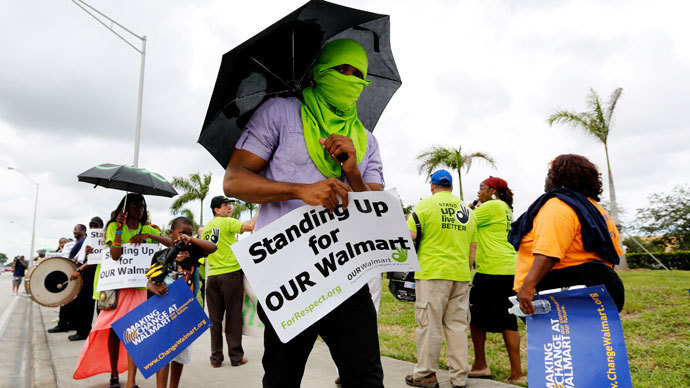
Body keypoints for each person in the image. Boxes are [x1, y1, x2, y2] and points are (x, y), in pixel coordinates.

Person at [224, 38, 385, 388]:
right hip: (288, 275)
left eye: (358, 75)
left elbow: (376, 210)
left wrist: (354, 172)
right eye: (341, 70)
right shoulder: (279, 112)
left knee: (367, 379)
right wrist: (300, 190)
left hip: (346, 271)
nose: (350, 80)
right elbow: (234, 180)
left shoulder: (366, 139)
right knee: (282, 378)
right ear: (319, 70)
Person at [510, 154, 625, 315]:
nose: (546, 178)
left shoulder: (557, 207)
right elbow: (609, 258)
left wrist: (527, 287)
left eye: (549, 173)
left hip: (565, 295)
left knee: (561, 341)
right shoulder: (596, 210)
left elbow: (548, 252)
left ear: (560, 177)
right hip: (603, 289)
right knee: (591, 340)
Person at [73, 193, 161, 388]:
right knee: (112, 330)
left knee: (134, 333)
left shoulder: (147, 228)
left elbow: (168, 245)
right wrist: (120, 231)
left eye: (142, 206)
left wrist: (148, 235)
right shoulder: (113, 227)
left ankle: (131, 379)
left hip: (138, 289)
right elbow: (115, 255)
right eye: (136, 206)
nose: (140, 210)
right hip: (117, 288)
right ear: (125, 208)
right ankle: (113, 372)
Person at [404, 170, 477, 388]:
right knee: (457, 326)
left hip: (432, 273)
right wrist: (467, 271)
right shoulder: (468, 211)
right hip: (461, 275)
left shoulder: (425, 206)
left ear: (432, 186)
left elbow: (410, 236)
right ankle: (459, 377)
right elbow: (473, 249)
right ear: (451, 187)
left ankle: (425, 374)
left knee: (429, 325)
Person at [147, 216, 217, 388]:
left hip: (184, 311)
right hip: (163, 310)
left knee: (179, 353)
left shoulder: (193, 251)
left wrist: (191, 240)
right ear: (171, 233)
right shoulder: (160, 255)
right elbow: (150, 279)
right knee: (163, 354)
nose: (185, 236)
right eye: (181, 233)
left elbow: (213, 247)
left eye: (189, 233)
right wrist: (154, 288)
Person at [467, 177, 523, 383]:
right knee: (508, 319)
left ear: (492, 190)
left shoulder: (493, 206)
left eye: (481, 189)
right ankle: (516, 372)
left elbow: (462, 218)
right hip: (508, 268)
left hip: (492, 269)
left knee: (475, 317)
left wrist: (472, 206)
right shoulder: (504, 207)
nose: (479, 192)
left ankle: (480, 365)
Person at [200, 196, 254, 368]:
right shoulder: (227, 222)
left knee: (215, 320)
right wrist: (263, 209)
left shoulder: (207, 227)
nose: (229, 207)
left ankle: (216, 358)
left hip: (212, 277)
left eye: (229, 204)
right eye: (225, 205)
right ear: (217, 210)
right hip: (230, 275)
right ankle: (236, 357)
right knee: (233, 317)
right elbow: (250, 227)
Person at [68, 218, 104, 341]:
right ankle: (82, 330)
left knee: (88, 304)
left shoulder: (102, 238)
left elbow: (95, 259)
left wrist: (79, 270)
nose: (94, 228)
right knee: (82, 303)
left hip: (91, 272)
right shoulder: (88, 239)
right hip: (84, 271)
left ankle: (85, 332)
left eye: (96, 225)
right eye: (91, 225)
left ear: (101, 226)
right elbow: (84, 256)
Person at [48, 225, 87, 334]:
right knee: (68, 302)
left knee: (68, 301)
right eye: (74, 229)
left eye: (76, 229)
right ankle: (67, 324)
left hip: (75, 274)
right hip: (71, 273)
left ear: (83, 231)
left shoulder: (83, 242)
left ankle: (64, 325)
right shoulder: (77, 242)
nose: (74, 231)